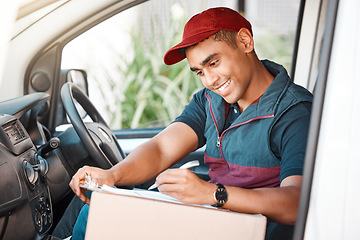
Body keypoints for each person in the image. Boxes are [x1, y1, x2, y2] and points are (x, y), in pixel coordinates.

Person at [57, 7, 313, 240]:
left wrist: (213, 194)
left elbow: (296, 202)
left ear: (245, 41)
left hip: (249, 230)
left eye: (214, 63)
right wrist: (113, 175)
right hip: (211, 218)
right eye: (200, 71)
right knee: (95, 198)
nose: (210, 80)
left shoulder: (293, 112)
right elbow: (161, 149)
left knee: (96, 215)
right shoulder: (210, 101)